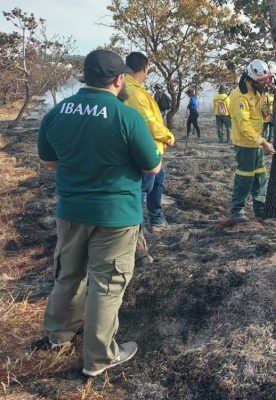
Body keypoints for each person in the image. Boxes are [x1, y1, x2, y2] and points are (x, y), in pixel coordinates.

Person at [38, 50, 161, 377]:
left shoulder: (58, 112)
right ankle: (98, 358)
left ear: (85, 77)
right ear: (120, 79)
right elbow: (152, 166)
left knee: (68, 273)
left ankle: (59, 335)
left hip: (71, 210)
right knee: (106, 285)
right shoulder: (126, 116)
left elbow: (49, 161)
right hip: (115, 215)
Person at [124, 52, 175, 263]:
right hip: (145, 150)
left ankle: (157, 218)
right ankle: (137, 232)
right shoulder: (133, 92)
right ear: (145, 68)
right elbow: (149, 123)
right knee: (144, 188)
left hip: (154, 148)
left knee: (157, 183)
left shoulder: (137, 89)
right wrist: (168, 136)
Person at [229, 59, 276, 222]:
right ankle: (237, 210)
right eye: (261, 82)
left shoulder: (257, 93)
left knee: (260, 177)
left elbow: (262, 116)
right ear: (250, 78)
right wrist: (263, 142)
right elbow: (244, 125)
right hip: (245, 143)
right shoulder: (239, 96)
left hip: (256, 142)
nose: (264, 85)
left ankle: (260, 208)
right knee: (245, 177)